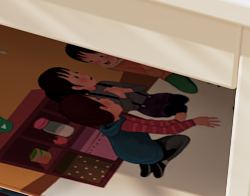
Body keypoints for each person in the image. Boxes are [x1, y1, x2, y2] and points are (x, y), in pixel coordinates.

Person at [36, 66, 220, 178]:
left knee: (142, 147)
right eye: (100, 101)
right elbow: (164, 128)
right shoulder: (125, 123)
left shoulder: (108, 125)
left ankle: (149, 165)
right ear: (102, 109)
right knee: (182, 140)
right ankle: (160, 161)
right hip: (147, 151)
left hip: (129, 154)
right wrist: (195, 122)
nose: (106, 99)